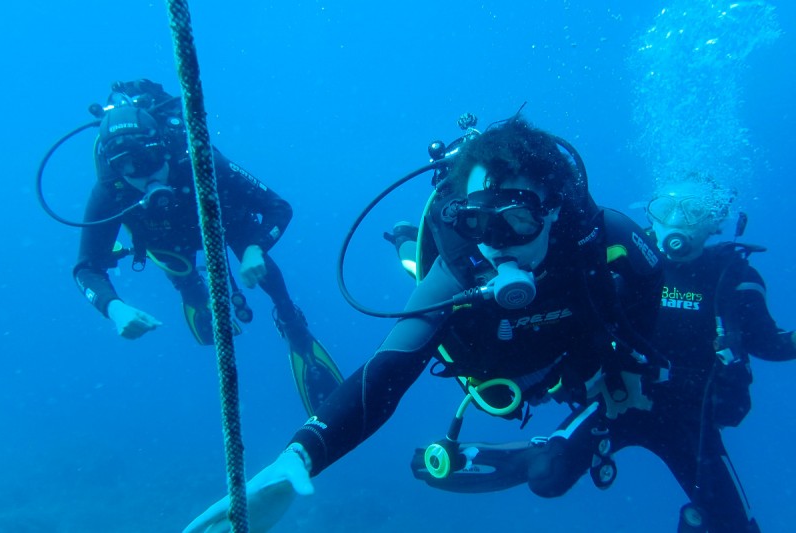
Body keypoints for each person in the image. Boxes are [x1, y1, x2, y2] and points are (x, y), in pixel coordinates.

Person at [183, 116, 669, 532]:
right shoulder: (460, 264)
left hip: (559, 360)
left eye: (518, 219)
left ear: (556, 208)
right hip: (478, 346)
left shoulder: (602, 236)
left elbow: (650, 284)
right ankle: (405, 242)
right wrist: (299, 455)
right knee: (420, 272)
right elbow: (388, 369)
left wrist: (625, 360)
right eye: (480, 221)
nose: (497, 243)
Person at [409, 176, 796, 532]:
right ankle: (508, 455)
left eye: (695, 213)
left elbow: (773, 344)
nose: (679, 223)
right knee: (548, 476)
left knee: (734, 527)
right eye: (665, 209)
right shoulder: (624, 255)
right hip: (617, 400)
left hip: (692, 418)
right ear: (651, 214)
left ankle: (697, 521)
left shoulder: (730, 274)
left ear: (715, 223)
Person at [73, 79, 343, 416]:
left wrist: (256, 249)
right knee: (181, 272)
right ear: (115, 167)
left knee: (255, 257)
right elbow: (86, 267)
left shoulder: (199, 161)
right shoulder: (110, 191)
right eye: (131, 168)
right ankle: (192, 292)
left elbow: (278, 207)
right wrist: (114, 308)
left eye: (154, 158)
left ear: (164, 145)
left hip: (224, 224)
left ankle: (291, 319)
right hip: (166, 244)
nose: (149, 176)